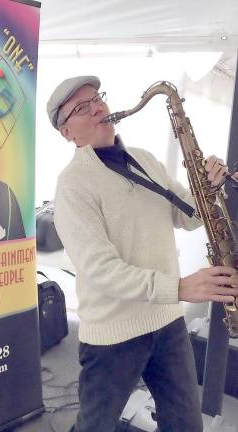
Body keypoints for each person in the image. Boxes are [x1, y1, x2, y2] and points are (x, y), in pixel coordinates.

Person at [46, 75, 238, 432]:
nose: (99, 107)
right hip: (112, 335)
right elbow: (101, 271)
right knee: (95, 427)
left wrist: (209, 188)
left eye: (97, 98)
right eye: (82, 107)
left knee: (185, 424)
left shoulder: (145, 159)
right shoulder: (72, 186)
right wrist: (180, 288)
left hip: (167, 322)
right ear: (67, 132)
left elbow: (186, 214)